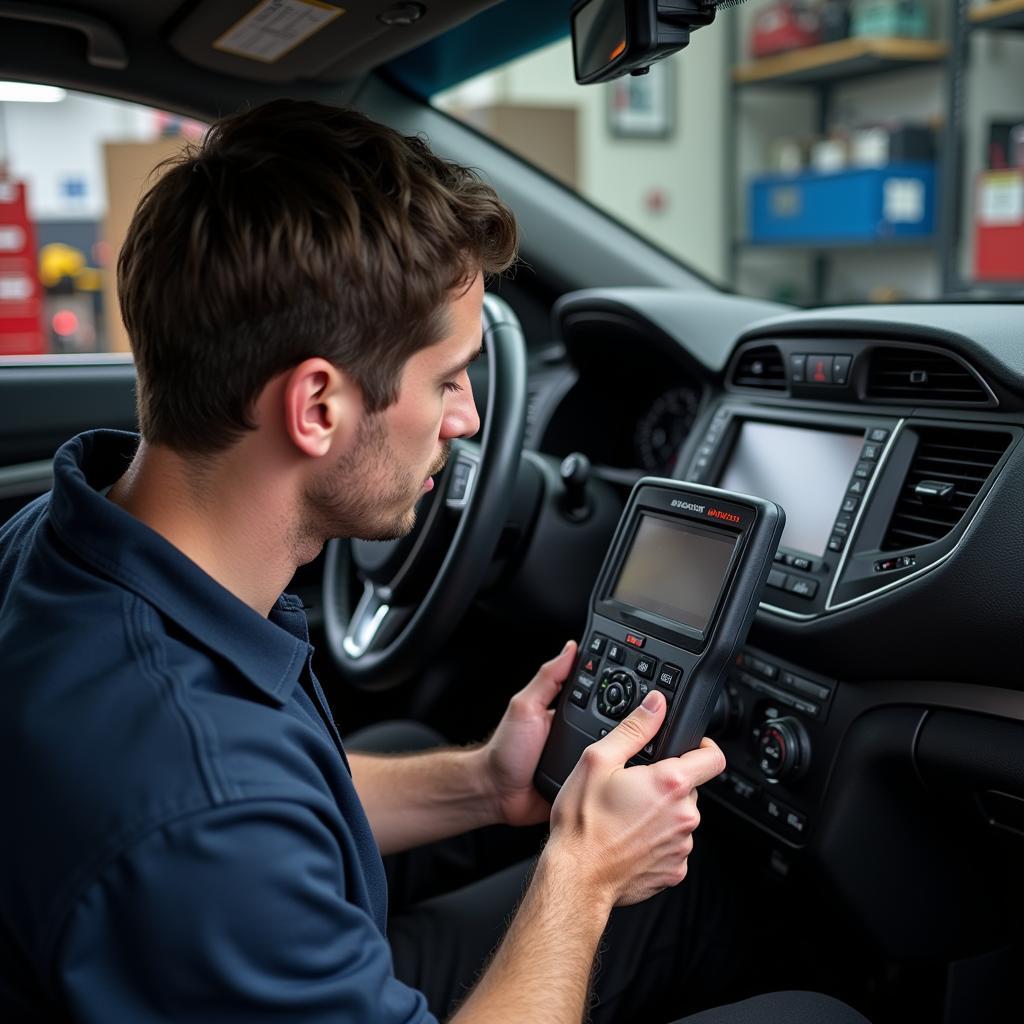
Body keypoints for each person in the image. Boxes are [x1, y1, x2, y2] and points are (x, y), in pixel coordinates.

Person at [0, 99, 868, 1024]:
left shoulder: (59, 536)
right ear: (318, 408)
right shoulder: (198, 812)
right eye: (448, 379)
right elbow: (232, 813)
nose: (469, 420)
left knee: (669, 897)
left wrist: (488, 783)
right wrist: (583, 874)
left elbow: (286, 793)